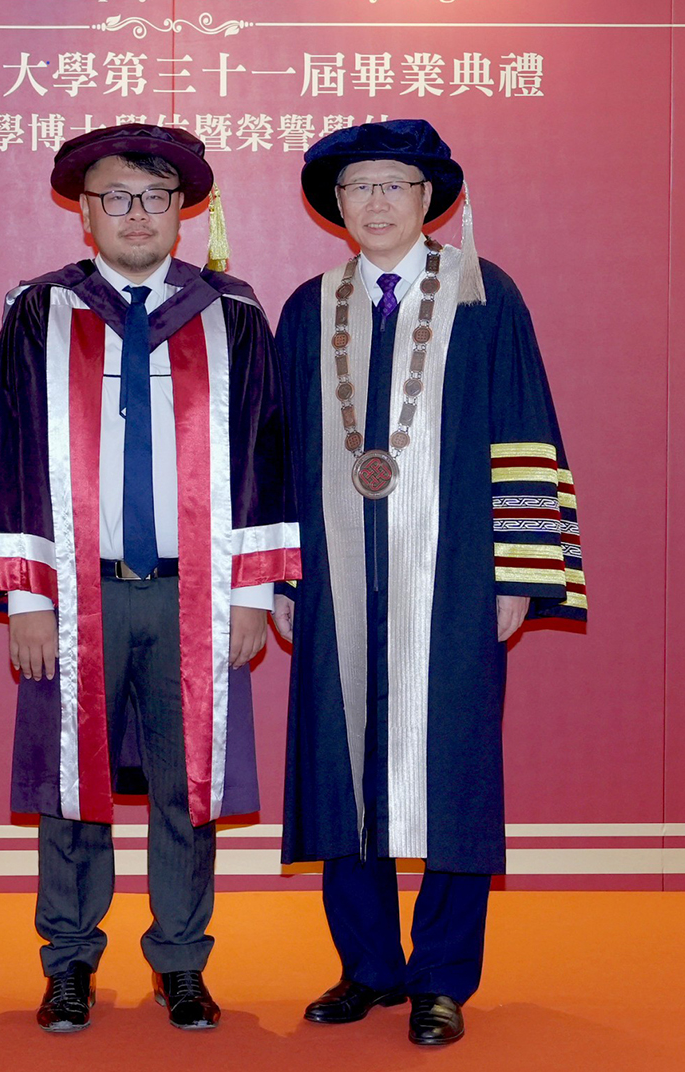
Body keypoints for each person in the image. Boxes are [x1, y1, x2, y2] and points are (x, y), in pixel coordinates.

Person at [272, 119, 586, 1046]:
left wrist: (518, 572)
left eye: (395, 185)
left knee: (451, 768)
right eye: (358, 187)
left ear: (428, 199)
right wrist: (282, 574)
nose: (375, 202)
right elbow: (277, 452)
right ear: (335, 203)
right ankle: (367, 967)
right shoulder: (309, 307)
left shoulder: (485, 295)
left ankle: (443, 977)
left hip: (454, 574)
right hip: (334, 574)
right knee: (341, 765)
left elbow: (525, 429)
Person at [0, 124, 300, 1034]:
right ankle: (69, 961)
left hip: (192, 589)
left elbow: (264, 456)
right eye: (117, 197)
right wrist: (28, 597)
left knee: (186, 784)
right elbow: (13, 453)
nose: (137, 214)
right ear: (84, 213)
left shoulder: (231, 313)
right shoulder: (40, 313)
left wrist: (251, 593)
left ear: (182, 212)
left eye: (156, 198)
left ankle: (181, 960)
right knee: (73, 784)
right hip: (73, 589)